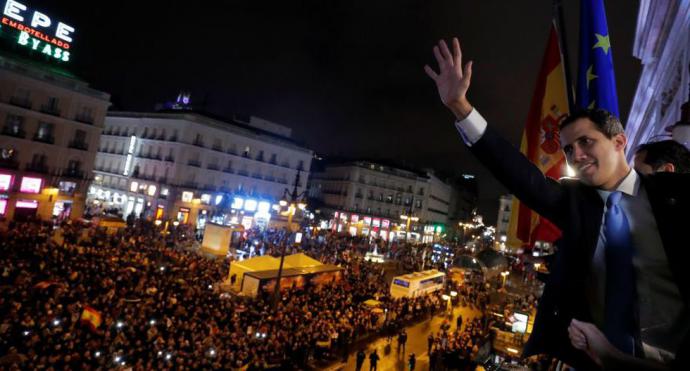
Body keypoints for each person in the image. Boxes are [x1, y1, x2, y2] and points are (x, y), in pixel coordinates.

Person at [425, 37, 689, 370]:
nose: (576, 154)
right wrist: (461, 107)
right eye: (568, 148)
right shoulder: (575, 203)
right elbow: (520, 174)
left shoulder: (673, 195)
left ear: (619, 141)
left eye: (586, 141)